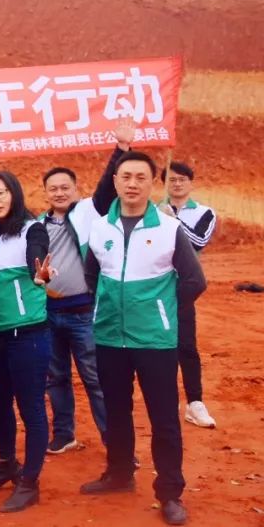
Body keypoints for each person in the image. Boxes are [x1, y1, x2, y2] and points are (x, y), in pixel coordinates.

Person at [79, 151, 206, 527]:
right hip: (109, 338)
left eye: (140, 177)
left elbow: (195, 281)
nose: (132, 184)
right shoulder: (99, 229)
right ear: (115, 181)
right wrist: (103, 308)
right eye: (126, 176)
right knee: (116, 410)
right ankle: (119, 473)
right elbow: (90, 275)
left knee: (163, 418)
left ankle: (170, 492)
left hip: (154, 340)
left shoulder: (168, 228)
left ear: (153, 183)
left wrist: (158, 309)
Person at [40, 125, 130, 455]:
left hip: (84, 313)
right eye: (53, 189)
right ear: (45, 193)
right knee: (56, 378)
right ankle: (64, 435)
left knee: (95, 378)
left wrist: (121, 149)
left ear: (76, 189)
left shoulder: (89, 211)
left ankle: (115, 443)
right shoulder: (37, 224)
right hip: (49, 314)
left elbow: (107, 187)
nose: (60, 193)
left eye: (65, 187)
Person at [0, 171, 53, 513]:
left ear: (14, 193)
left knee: (31, 408)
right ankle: (7, 464)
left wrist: (40, 273)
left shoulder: (32, 229)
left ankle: (29, 482)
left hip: (27, 334)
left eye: (1, 193)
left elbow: (38, 257)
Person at [159, 161, 217, 430]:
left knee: (186, 346)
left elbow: (199, 241)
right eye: (171, 180)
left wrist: (172, 220)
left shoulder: (204, 212)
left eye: (182, 179)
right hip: (155, 286)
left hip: (183, 286)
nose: (177, 184)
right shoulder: (152, 210)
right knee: (158, 348)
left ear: (190, 183)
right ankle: (164, 402)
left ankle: (195, 402)